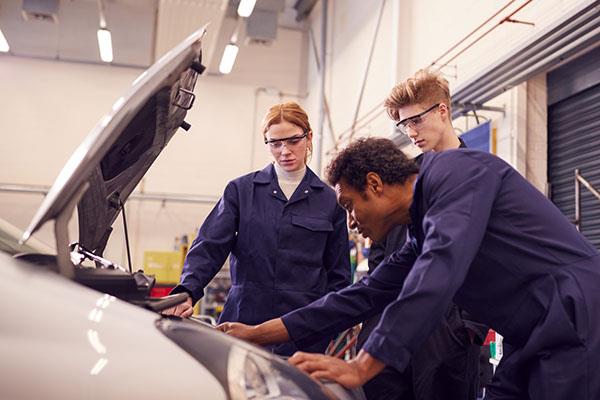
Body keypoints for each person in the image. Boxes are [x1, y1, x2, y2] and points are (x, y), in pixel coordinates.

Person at [218, 137, 600, 400]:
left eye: (350, 206)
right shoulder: (419, 232)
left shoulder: (455, 174)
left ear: (375, 184)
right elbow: (360, 297)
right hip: (531, 331)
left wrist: (362, 365)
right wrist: (258, 333)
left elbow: (440, 268)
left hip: (575, 316)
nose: (350, 222)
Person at [165, 101, 351, 356]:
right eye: (275, 143)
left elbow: (339, 276)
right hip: (244, 322)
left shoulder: (330, 201)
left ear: (309, 138)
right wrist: (186, 291)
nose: (284, 151)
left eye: (293, 141)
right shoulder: (241, 191)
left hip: (303, 332)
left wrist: (327, 326)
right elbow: (209, 246)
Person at [358, 69, 487, 400]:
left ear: (442, 110)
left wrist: (468, 329)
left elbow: (490, 257)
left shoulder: (483, 175)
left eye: (415, 121)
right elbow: (381, 246)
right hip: (394, 320)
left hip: (449, 330)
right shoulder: (406, 177)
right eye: (404, 125)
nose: (410, 132)